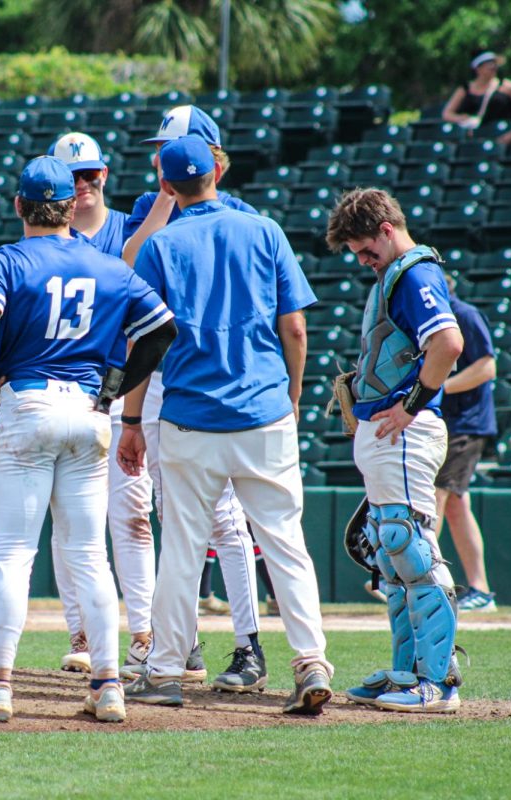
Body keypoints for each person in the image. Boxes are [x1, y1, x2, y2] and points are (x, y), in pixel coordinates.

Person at [0, 156, 176, 723]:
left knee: (12, 555)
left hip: (27, 405)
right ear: (72, 206)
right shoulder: (107, 264)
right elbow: (163, 329)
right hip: (88, 410)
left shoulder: (8, 259)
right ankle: (108, 686)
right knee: (89, 556)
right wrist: (118, 388)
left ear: (21, 205)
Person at [118, 136, 333, 713]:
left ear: (166, 185)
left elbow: (145, 341)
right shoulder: (265, 231)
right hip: (263, 413)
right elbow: (295, 328)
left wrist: (132, 420)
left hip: (190, 418)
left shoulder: (161, 245)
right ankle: (310, 662)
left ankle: (164, 672)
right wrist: (289, 394)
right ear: (216, 170)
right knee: (286, 544)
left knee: (183, 550)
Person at [120, 106, 273, 694]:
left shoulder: (243, 216)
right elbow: (130, 269)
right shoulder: (148, 207)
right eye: (158, 145)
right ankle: (179, 648)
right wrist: (163, 201)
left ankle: (248, 645)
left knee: (227, 520)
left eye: (172, 146)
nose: (159, 156)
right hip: (162, 381)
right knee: (174, 517)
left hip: (218, 383)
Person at [325, 187, 466, 714]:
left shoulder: (414, 273)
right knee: (390, 553)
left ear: (386, 229)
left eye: (365, 249)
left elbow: (448, 344)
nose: (362, 260)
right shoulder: (395, 274)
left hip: (405, 431)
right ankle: (409, 671)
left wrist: (410, 403)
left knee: (407, 544)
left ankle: (437, 681)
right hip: (386, 434)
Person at [43, 132, 156, 676]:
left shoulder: (125, 230)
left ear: (104, 175)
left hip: (120, 388)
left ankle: (144, 631)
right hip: (69, 392)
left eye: (91, 176)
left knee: (133, 515)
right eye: (73, 180)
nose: (83, 186)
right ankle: (82, 632)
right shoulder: (48, 240)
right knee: (71, 522)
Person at [435, 275, 498, 612]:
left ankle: (421, 580)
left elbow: (487, 367)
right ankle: (480, 589)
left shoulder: (465, 315)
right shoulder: (438, 320)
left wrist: (439, 388)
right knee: (457, 505)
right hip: (452, 422)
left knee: (437, 494)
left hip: (466, 422)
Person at [441, 51, 511, 129]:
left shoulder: (505, 85)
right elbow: (447, 113)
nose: (493, 68)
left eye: (494, 66)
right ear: (478, 69)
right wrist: (461, 118)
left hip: (499, 129)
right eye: (489, 66)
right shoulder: (465, 88)